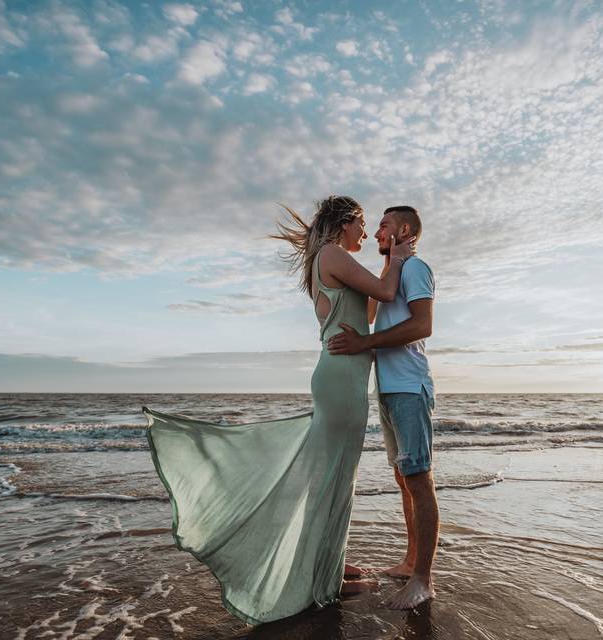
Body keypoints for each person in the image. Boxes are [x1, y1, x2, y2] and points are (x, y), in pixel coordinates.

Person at [143, 195, 414, 625]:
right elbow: (385, 291)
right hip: (342, 383)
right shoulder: (332, 254)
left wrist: (387, 265)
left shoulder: (328, 260)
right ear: (345, 223)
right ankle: (327, 582)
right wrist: (398, 256)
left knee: (334, 481)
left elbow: (369, 309)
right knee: (334, 483)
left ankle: (331, 565)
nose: (365, 233)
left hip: (340, 379)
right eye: (362, 224)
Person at [327, 205, 438, 610]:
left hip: (409, 387)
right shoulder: (395, 270)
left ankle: (424, 579)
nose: (376, 233)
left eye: (384, 226)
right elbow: (374, 307)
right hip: (389, 389)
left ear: (404, 229)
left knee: (419, 480)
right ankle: (410, 562)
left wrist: (364, 343)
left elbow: (422, 325)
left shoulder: (415, 268)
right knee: (403, 479)